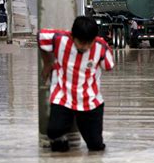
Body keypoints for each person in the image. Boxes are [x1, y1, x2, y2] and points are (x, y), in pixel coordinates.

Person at [38, 16, 115, 152]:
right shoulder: (60, 39)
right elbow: (40, 36)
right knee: (54, 132)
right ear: (72, 37)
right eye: (81, 42)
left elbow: (109, 66)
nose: (85, 47)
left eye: (88, 43)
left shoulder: (100, 46)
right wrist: (48, 62)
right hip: (64, 97)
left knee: (96, 146)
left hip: (90, 101)